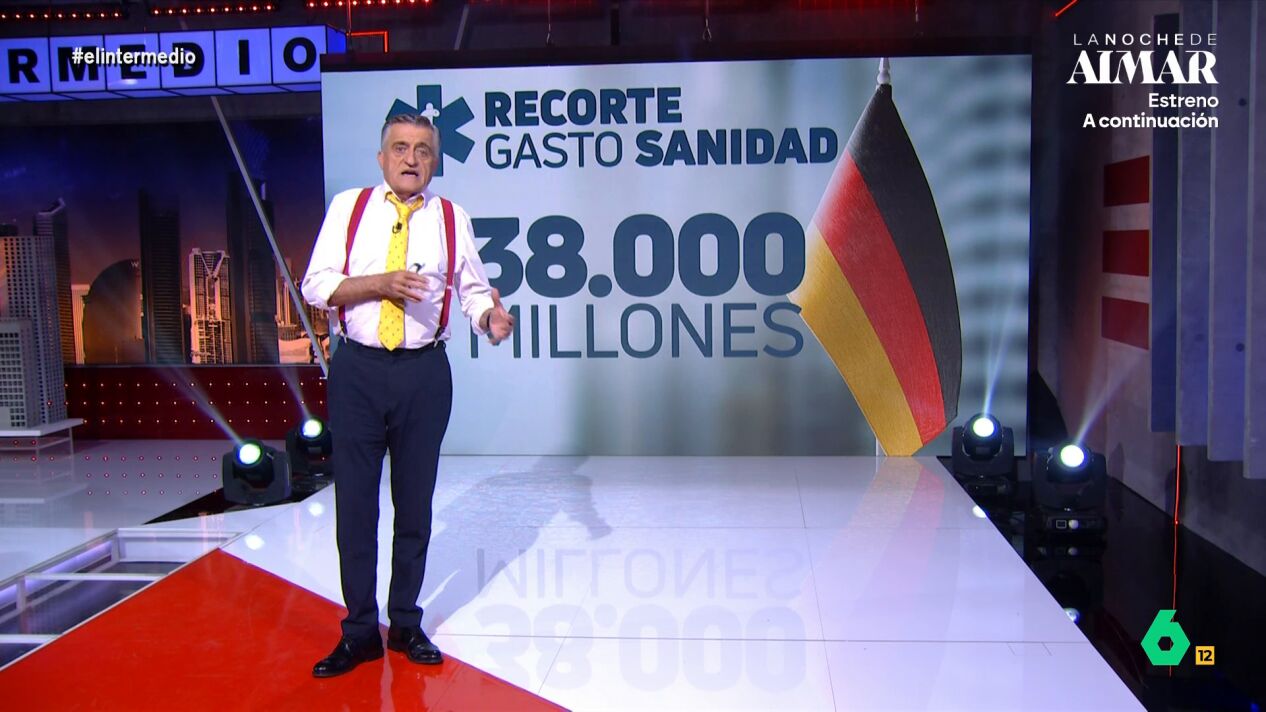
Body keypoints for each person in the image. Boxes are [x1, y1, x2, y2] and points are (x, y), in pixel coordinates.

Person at [301, 113, 514, 678]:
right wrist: (379, 284)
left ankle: (405, 622)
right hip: (358, 371)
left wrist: (489, 319)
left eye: (422, 149)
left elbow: (473, 293)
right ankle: (358, 631)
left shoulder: (451, 217)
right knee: (356, 507)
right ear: (381, 158)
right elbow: (316, 286)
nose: (411, 158)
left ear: (434, 161)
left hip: (424, 374)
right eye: (400, 147)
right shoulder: (348, 209)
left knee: (414, 505)